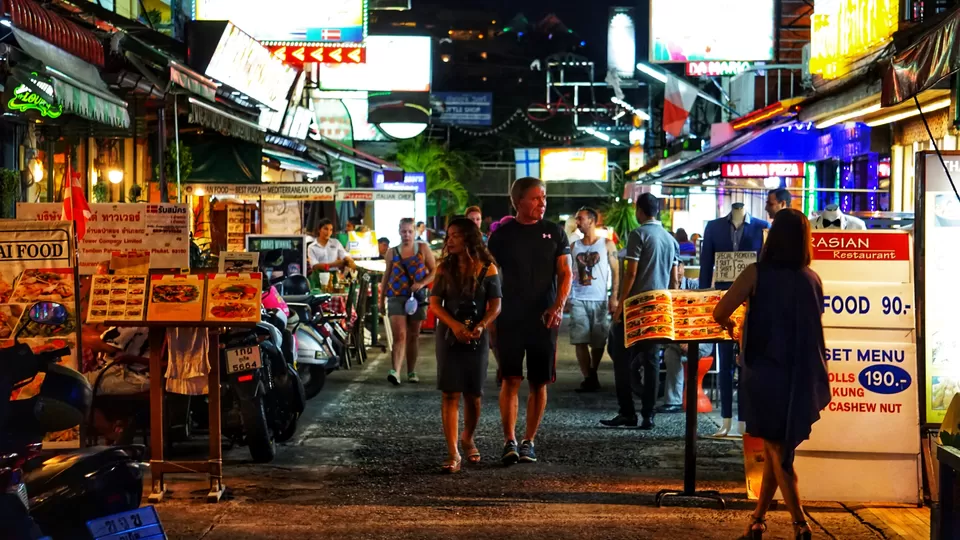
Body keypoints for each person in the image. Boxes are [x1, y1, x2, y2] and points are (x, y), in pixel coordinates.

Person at [713, 208, 829, 540]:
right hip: (804, 372)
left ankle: (800, 523)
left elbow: (721, 311)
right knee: (780, 447)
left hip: (766, 372)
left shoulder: (755, 274)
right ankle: (758, 519)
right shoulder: (812, 279)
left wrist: (736, 325)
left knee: (777, 450)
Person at [488, 177, 572, 465]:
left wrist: (558, 306)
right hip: (509, 317)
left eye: (544, 197)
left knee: (539, 382)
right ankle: (509, 440)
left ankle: (529, 441)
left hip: (543, 318)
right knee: (510, 379)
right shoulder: (501, 236)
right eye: (536, 198)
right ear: (518, 201)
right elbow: (489, 277)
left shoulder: (555, 233)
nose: (542, 203)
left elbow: (566, 274)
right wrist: (489, 319)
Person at [430, 218, 502, 473]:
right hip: (449, 336)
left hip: (476, 336)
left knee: (474, 394)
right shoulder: (444, 268)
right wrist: (454, 326)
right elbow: (435, 304)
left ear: (469, 239)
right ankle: (453, 452)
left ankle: (468, 438)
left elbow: (495, 305)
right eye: (448, 236)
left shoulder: (488, 268)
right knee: (450, 393)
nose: (449, 241)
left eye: (455, 236)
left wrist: (481, 325)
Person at [602, 193, 679, 430]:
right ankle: (649, 415)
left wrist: (620, 305)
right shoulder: (669, 239)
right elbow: (675, 281)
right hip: (659, 308)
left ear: (639, 211)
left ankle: (627, 412)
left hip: (635, 308)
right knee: (652, 360)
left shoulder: (638, 235)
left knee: (619, 355)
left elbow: (632, 274)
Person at [379, 218, 437, 385]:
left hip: (417, 298)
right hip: (396, 296)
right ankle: (395, 371)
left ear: (415, 232)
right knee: (400, 335)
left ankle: (411, 371)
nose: (407, 235)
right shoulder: (392, 252)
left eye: (410, 231)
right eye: (403, 231)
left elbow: (434, 270)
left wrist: (421, 284)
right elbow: (386, 276)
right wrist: (381, 299)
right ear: (399, 232)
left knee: (413, 335)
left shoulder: (423, 249)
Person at [569, 207, 618, 393]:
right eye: (576, 219)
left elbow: (616, 271)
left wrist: (614, 296)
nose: (577, 222)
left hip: (599, 299)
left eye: (580, 218)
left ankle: (593, 371)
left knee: (598, 341)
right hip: (578, 297)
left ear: (591, 221)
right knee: (579, 339)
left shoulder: (606, 244)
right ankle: (588, 377)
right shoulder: (575, 246)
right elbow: (568, 272)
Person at [658, 261, 710, 413]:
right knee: (669, 353)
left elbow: (703, 318)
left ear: (683, 268)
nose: (677, 271)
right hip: (678, 344)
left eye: (679, 267)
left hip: (700, 341)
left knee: (669, 348)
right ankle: (673, 402)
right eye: (673, 267)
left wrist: (688, 341)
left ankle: (672, 400)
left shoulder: (695, 287)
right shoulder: (665, 290)